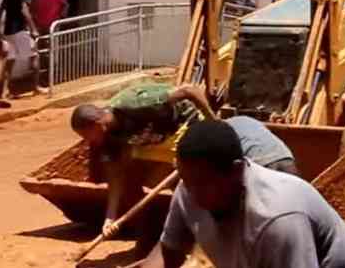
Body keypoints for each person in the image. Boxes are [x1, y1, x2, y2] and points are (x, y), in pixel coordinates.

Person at [71, 83, 299, 242]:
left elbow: (189, 90)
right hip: (155, 142)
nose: (87, 141)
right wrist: (110, 218)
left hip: (184, 126)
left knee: (193, 183)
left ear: (96, 125)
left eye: (85, 135)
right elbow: (116, 176)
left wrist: (213, 122)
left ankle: (202, 232)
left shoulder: (133, 105)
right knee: (133, 175)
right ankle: (149, 233)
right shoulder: (108, 138)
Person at [142, 120, 345, 268]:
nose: (192, 194)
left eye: (202, 184)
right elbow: (167, 254)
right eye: (186, 180)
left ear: (236, 171)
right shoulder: (190, 191)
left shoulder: (278, 218)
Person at [0, 0, 42, 97]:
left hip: (8, 32)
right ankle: (36, 87)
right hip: (20, 31)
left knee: (10, 62)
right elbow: (24, 10)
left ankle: (5, 91)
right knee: (34, 56)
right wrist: (33, 29)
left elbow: (1, 8)